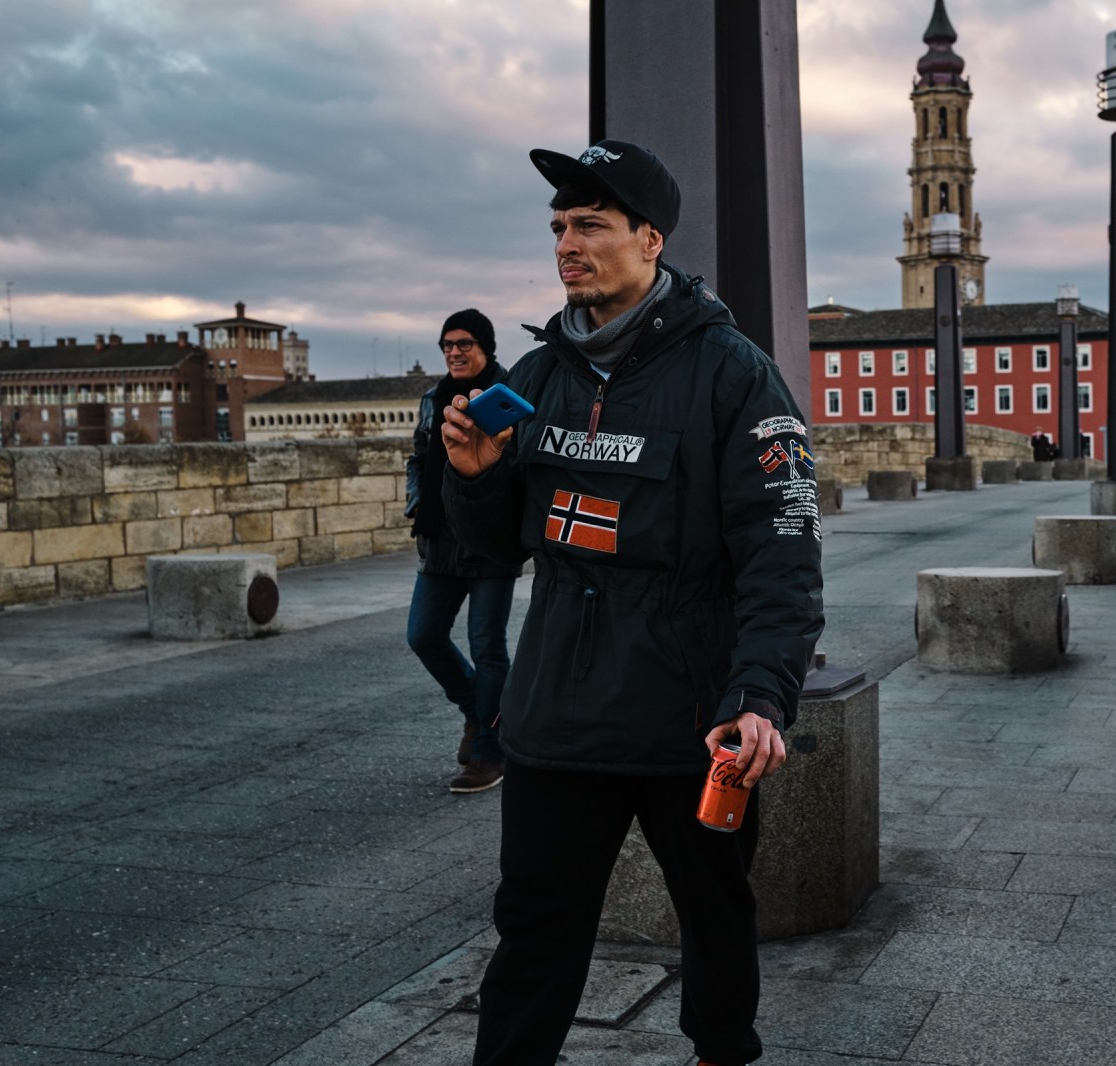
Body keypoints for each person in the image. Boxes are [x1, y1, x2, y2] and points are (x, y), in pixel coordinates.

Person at [438, 139, 824, 1066]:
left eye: (591, 226)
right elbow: (494, 552)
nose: (567, 245)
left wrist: (760, 694)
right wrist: (476, 479)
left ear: (651, 240)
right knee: (533, 933)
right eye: (558, 228)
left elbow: (782, 554)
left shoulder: (733, 372)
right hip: (555, 714)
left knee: (716, 915)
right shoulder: (535, 378)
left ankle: (722, 1053)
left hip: (688, 717)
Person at [404, 309, 519, 794]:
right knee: (423, 635)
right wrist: (417, 502)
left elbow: (519, 462)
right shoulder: (433, 399)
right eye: (447, 344)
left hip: (491, 540)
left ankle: (491, 751)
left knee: (487, 646)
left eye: (464, 343)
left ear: (485, 347)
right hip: (440, 538)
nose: (454, 352)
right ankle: (477, 711)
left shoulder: (507, 394)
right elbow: (418, 458)